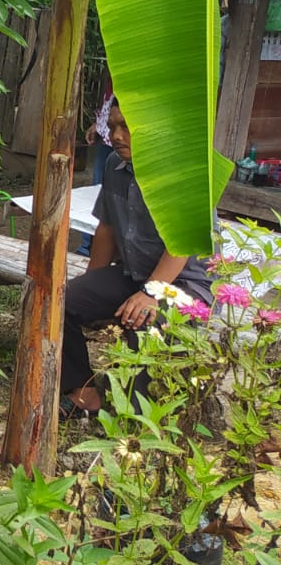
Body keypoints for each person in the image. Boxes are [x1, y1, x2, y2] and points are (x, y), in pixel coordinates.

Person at [59, 102, 212, 419]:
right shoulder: (115, 167)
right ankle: (83, 391)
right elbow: (107, 229)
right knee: (64, 300)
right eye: (113, 126)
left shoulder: (181, 174)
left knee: (146, 319)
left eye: (127, 127)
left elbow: (180, 246)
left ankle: (134, 416)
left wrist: (151, 294)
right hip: (134, 275)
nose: (117, 135)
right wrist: (92, 288)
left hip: (187, 285)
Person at [80, 81, 115, 257]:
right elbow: (110, 100)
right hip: (106, 137)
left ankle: (100, 249)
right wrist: (99, 123)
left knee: (116, 195)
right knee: (96, 193)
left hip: (126, 142)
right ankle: (86, 246)